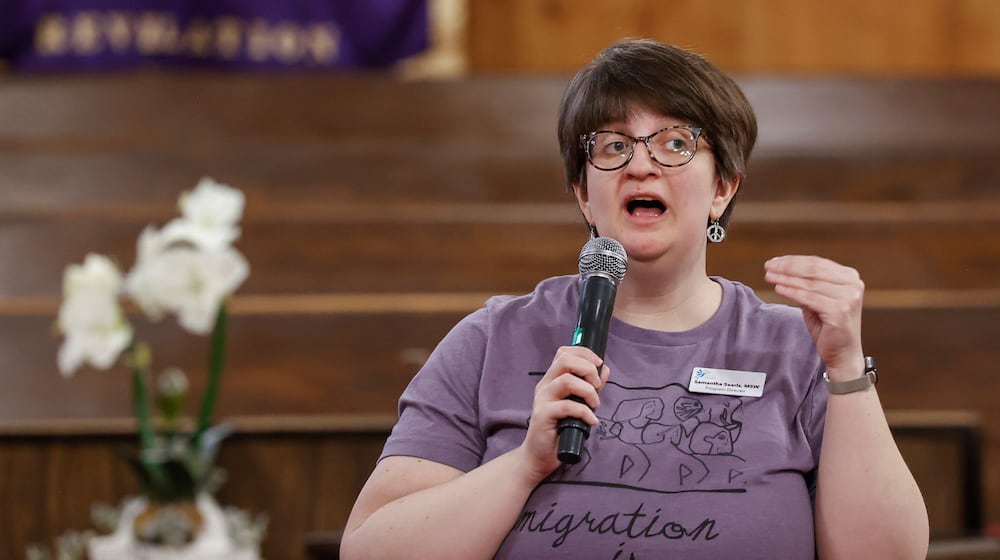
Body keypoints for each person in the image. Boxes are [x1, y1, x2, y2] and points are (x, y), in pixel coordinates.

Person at [340, 38, 929, 559]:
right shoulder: (493, 337)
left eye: (675, 143)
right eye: (614, 146)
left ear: (722, 187)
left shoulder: (797, 349)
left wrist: (847, 368)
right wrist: (524, 466)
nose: (641, 165)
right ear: (583, 194)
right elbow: (371, 549)